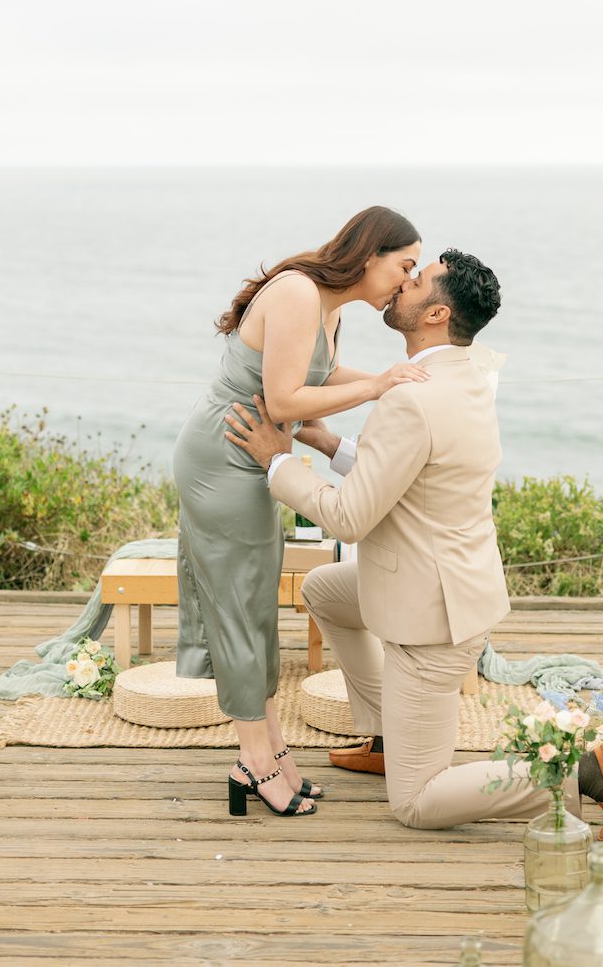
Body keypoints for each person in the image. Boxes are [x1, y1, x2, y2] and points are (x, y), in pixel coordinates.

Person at [225, 250, 603, 839]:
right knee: (326, 589)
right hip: (448, 582)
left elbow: (348, 517)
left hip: (431, 623)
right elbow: (412, 471)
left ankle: (580, 774)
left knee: (416, 802)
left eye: (415, 280)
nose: (401, 282)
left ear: (436, 313)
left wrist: (278, 461)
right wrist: (327, 441)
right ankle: (387, 733)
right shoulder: (466, 373)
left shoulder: (411, 398)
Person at [173, 206, 425, 819]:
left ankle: (276, 755)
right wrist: (378, 386)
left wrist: (406, 379)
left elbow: (322, 371)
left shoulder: (328, 305)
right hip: (225, 455)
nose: (406, 281)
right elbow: (287, 397)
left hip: (258, 454)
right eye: (405, 266)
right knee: (238, 607)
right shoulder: (296, 293)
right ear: (370, 256)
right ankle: (254, 764)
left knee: (255, 603)